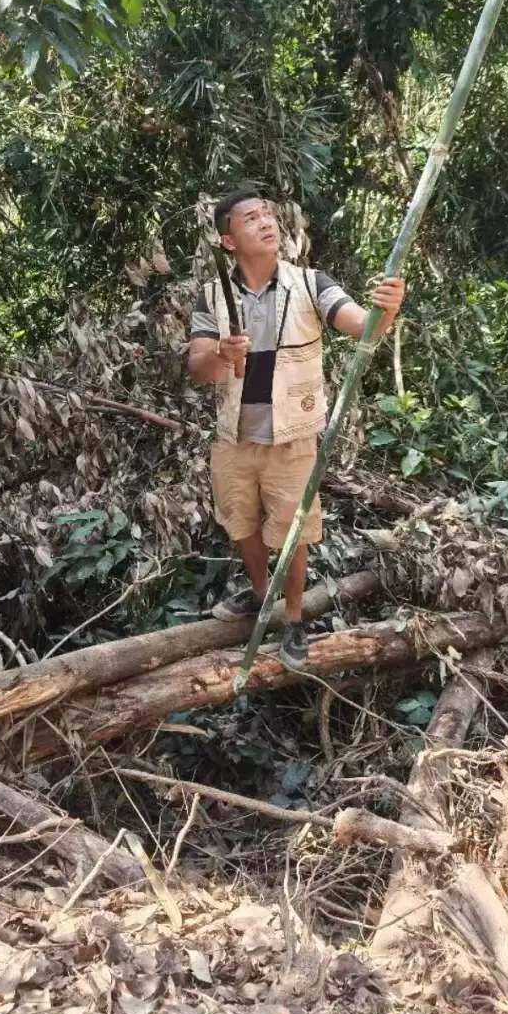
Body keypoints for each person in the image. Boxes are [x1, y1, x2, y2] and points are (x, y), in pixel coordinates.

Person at [188, 184, 405, 670]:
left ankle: (292, 619)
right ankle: (263, 596)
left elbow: (361, 325)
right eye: (250, 219)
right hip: (234, 436)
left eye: (267, 214)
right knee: (241, 523)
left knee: (291, 533)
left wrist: (385, 308)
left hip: (292, 435)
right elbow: (198, 368)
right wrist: (222, 352)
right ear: (228, 241)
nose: (266, 222)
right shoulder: (212, 297)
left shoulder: (309, 283)